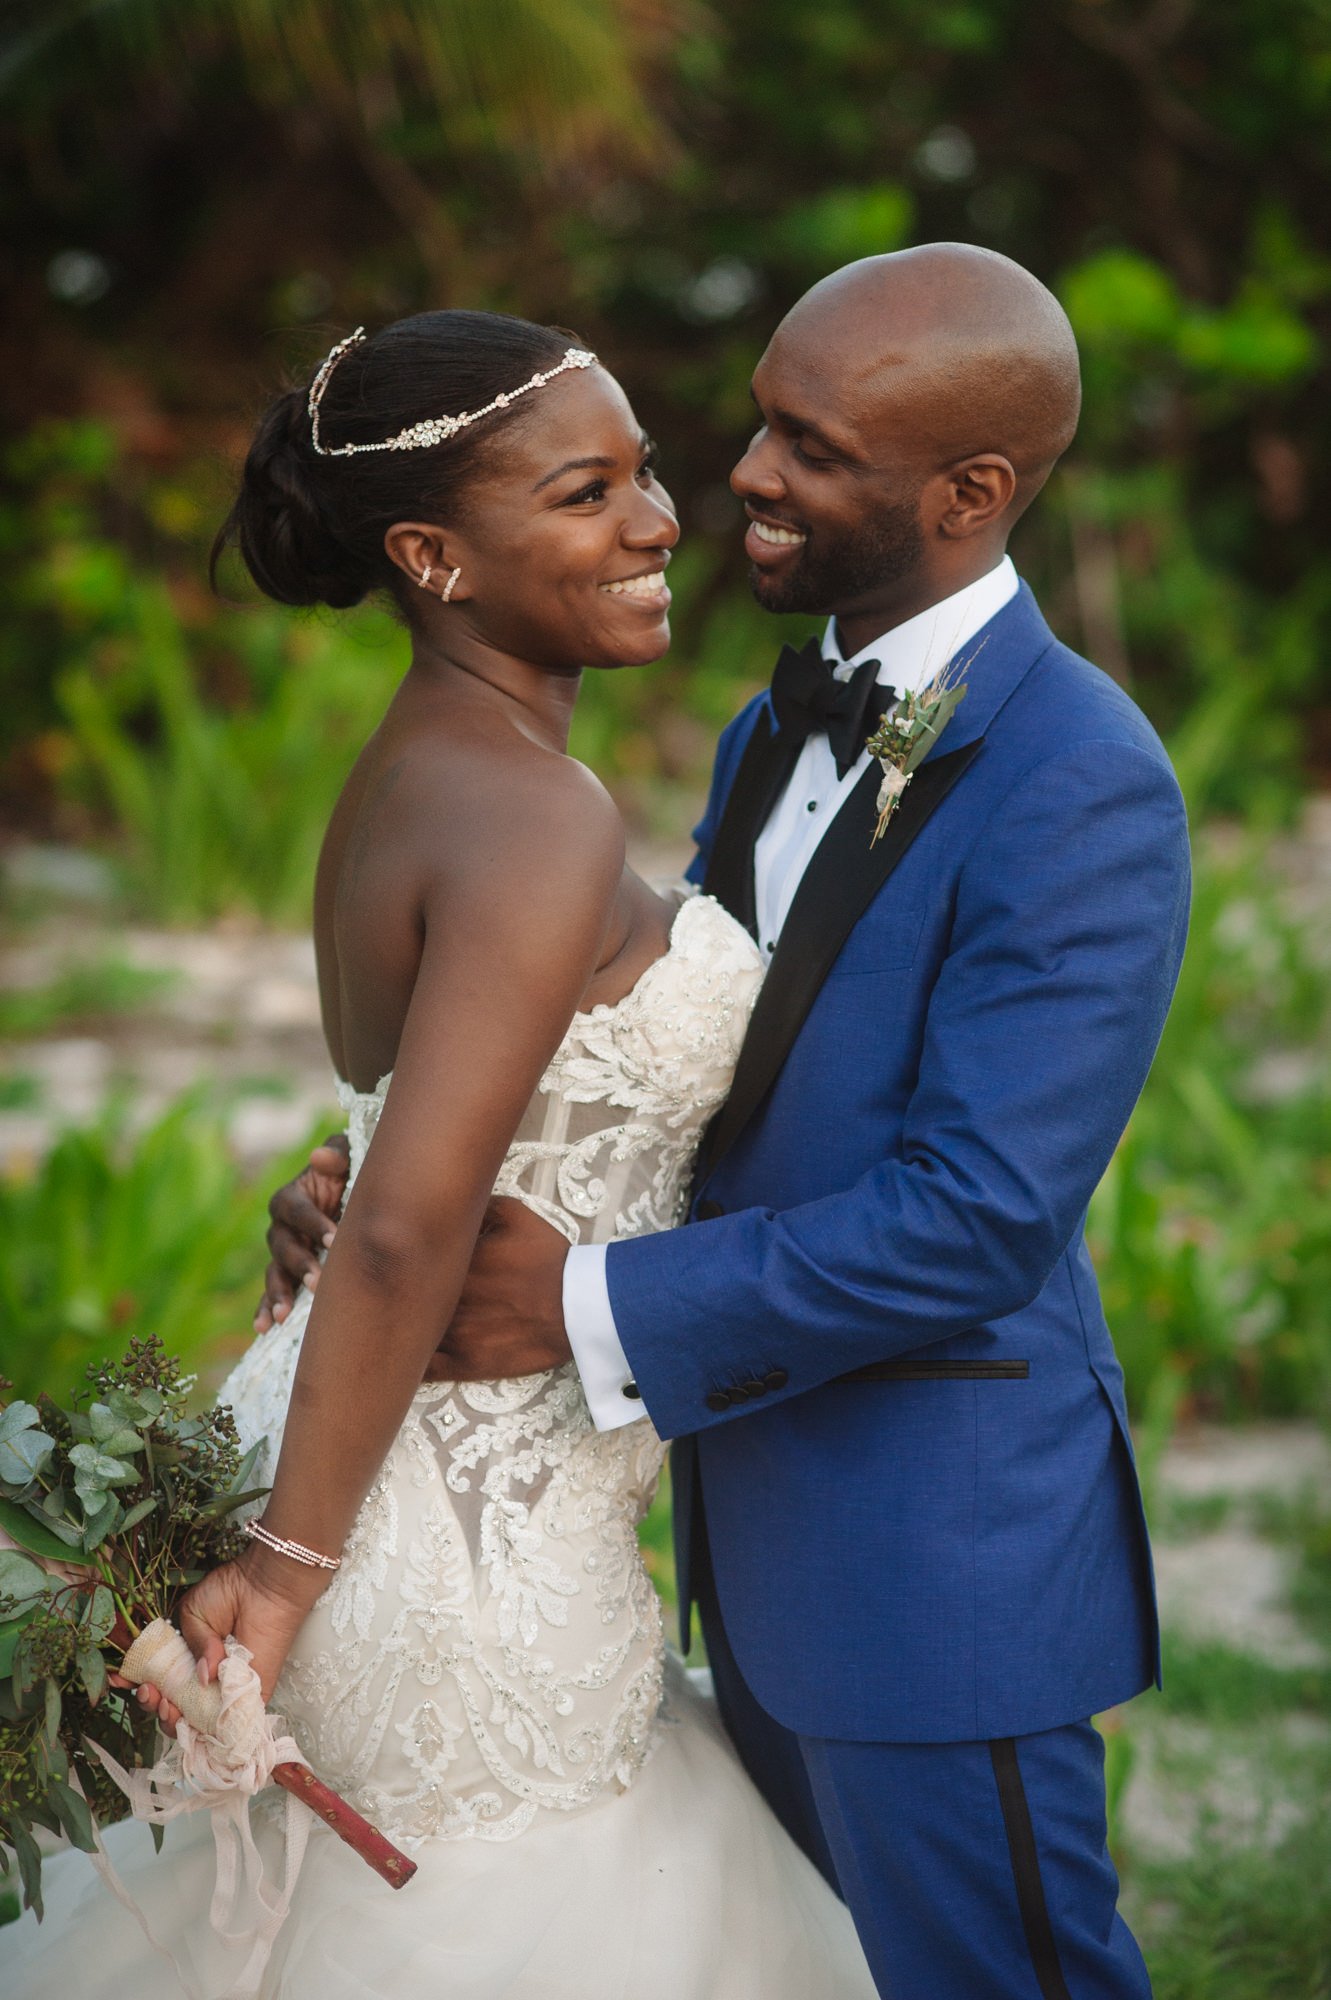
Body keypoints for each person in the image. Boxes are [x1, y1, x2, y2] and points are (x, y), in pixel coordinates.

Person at [266, 245, 1192, 2000]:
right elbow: (655, 1077)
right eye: (762, 419)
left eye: (813, 449)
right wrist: (396, 1183)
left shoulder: (1083, 778)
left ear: (970, 493)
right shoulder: (771, 734)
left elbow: (981, 1215)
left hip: (934, 1553)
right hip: (725, 1533)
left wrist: (583, 1304)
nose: (743, 479)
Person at [7, 310, 876, 1998]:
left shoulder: (408, 776)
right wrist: (283, 1571)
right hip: (443, 1517)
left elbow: (381, 1093)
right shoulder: (530, 811)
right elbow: (404, 1231)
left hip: (371, 1453)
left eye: (639, 474)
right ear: (432, 555)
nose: (657, 520)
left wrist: (321, 1218)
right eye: (585, 492)